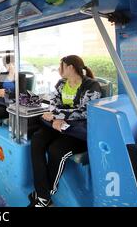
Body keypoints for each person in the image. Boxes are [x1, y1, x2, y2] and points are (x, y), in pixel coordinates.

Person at [28, 55, 102, 207]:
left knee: (56, 150)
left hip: (79, 132)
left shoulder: (91, 86)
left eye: (60, 66)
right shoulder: (61, 83)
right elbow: (53, 104)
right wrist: (57, 117)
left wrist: (58, 115)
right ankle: (43, 195)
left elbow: (86, 111)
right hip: (57, 125)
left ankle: (45, 193)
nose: (58, 69)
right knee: (37, 140)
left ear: (70, 67)